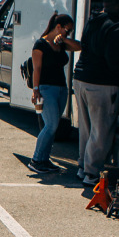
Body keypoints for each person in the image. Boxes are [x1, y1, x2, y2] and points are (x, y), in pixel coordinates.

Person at [73, 0, 119, 186]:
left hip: (80, 78)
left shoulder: (92, 20)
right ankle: (92, 173)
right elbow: (114, 61)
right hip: (102, 83)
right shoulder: (117, 27)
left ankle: (82, 167)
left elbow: (84, 46)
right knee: (101, 131)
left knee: (86, 129)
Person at [28, 12, 81, 174]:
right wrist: (35, 90)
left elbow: (79, 46)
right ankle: (36, 159)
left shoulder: (61, 43)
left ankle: (45, 159)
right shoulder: (40, 44)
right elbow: (37, 69)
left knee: (54, 126)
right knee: (51, 125)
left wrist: (65, 40)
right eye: (67, 30)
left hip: (61, 89)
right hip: (46, 88)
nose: (68, 33)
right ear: (58, 27)